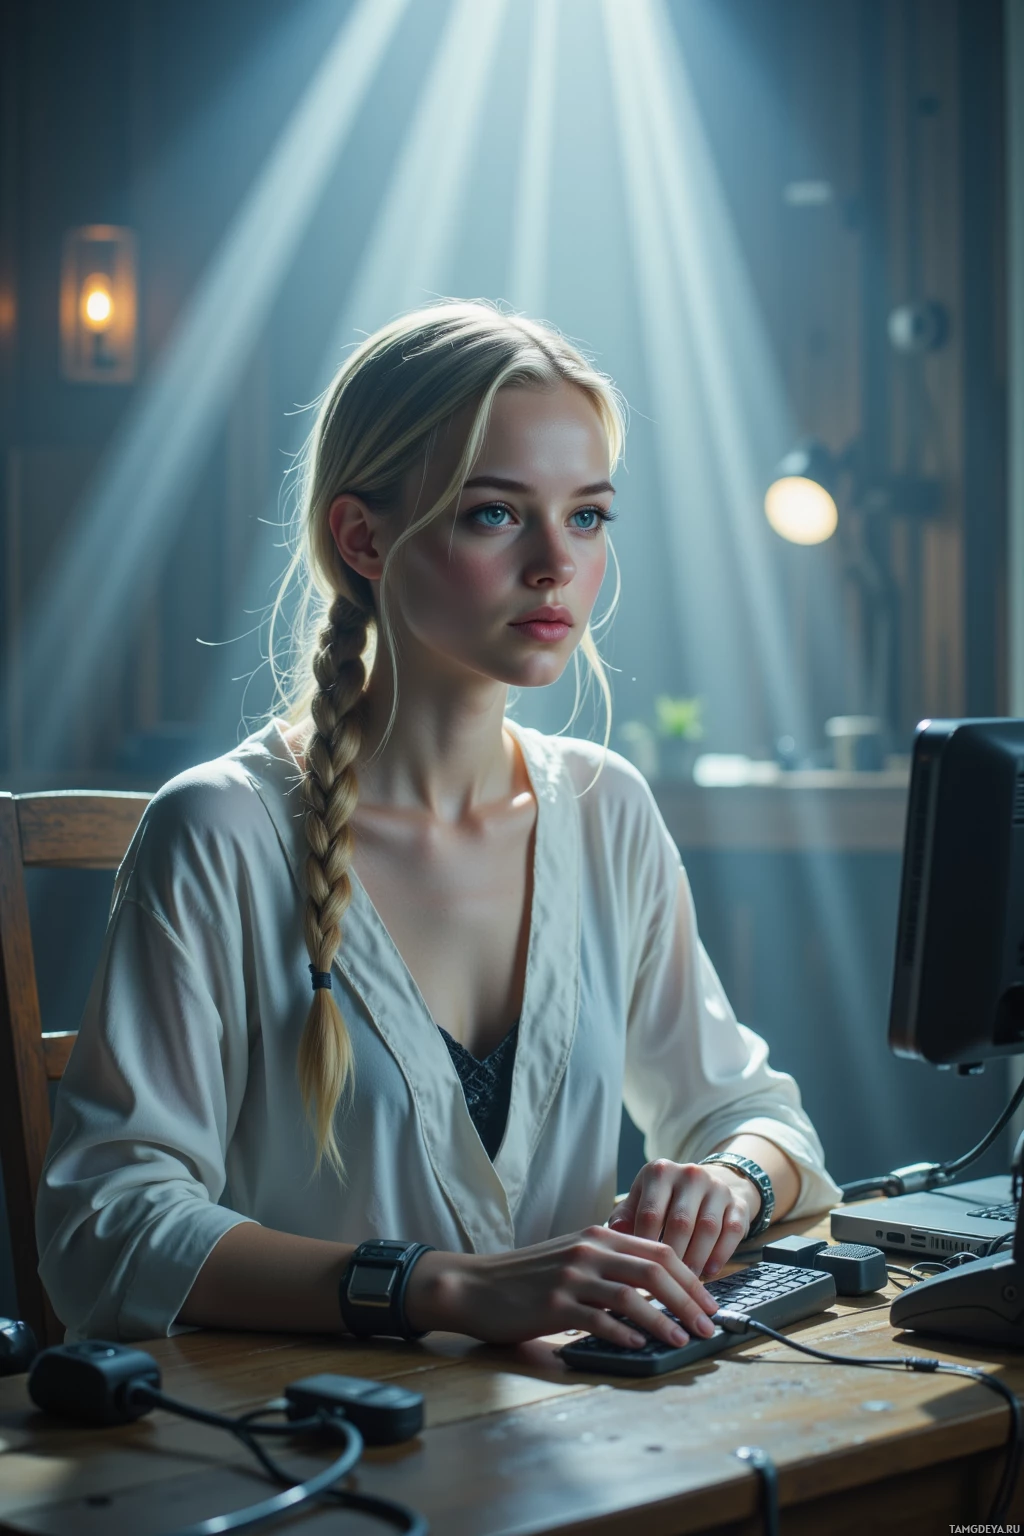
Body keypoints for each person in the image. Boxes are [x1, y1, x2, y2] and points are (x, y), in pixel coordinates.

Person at [36, 301, 841, 1352]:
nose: (556, 562)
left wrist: (729, 1182)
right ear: (362, 537)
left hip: (590, 1444)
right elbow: (108, 1224)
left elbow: (761, 1120)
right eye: (495, 514)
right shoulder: (220, 832)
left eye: (587, 516)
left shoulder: (607, 810)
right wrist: (441, 1288)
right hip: (298, 1454)